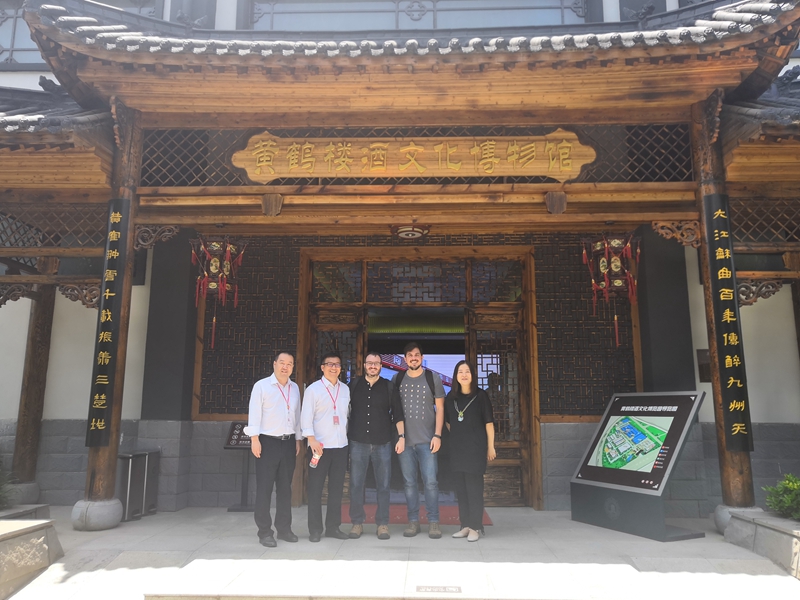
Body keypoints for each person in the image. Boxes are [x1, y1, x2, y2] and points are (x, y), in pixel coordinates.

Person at [244, 351, 303, 548]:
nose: (285, 367)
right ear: (274, 364)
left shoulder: (294, 388)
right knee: (265, 488)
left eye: (290, 364)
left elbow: (296, 416)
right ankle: (264, 532)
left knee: (285, 489)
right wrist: (254, 439)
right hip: (267, 442)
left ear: (293, 367)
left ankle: (284, 529)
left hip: (288, 443)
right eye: (282, 363)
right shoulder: (262, 386)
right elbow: (254, 413)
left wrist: (297, 439)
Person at [348, 352, 405, 540]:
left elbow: (398, 414)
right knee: (356, 484)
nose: (373, 366)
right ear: (364, 365)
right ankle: (357, 523)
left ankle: (382, 524)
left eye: (376, 363)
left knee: (384, 485)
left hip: (383, 443)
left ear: (381, 366)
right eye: (370, 363)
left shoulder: (388, 387)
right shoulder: (353, 386)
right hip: (358, 443)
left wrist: (402, 437)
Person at [392, 342, 446, 539]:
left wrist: (437, 435)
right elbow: (394, 409)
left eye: (416, 355)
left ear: (422, 358)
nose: (413, 358)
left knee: (431, 483)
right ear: (405, 359)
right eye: (409, 355)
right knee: (409, 483)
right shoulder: (397, 379)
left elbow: (440, 408)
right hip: (405, 442)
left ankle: (433, 522)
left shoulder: (433, 378)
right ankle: (413, 521)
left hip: (428, 441)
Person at [301, 351, 351, 542]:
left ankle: (333, 527)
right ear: (322, 367)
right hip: (319, 447)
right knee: (315, 489)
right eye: (329, 364)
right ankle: (315, 530)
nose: (333, 367)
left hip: (340, 446)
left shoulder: (345, 389)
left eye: (337, 364)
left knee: (336, 490)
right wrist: (311, 440)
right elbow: (306, 418)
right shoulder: (313, 390)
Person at [444, 359, 496, 542]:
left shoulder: (481, 396)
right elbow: (448, 422)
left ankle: (475, 526)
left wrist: (490, 446)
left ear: (473, 375)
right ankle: (465, 525)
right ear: (456, 376)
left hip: (475, 449)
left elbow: (489, 423)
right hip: (457, 449)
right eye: (460, 372)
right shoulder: (451, 397)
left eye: (467, 371)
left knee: (474, 489)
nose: (464, 375)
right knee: (461, 490)